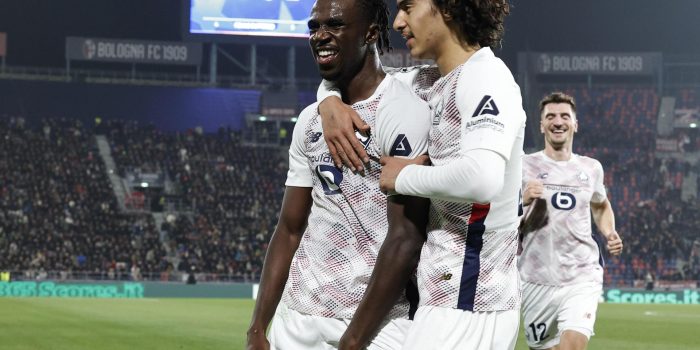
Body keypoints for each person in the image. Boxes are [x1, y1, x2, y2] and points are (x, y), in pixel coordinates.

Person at [316, 0, 524, 348]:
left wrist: (403, 178)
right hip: (444, 294)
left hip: (472, 295)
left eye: (408, 7)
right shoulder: (431, 79)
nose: (398, 22)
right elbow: (360, 79)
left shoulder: (486, 76)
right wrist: (328, 100)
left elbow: (483, 179)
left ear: (448, 7)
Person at [246, 0, 432, 349]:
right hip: (296, 320)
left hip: (376, 326)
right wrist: (258, 326)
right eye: (314, 27)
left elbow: (406, 237)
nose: (320, 35)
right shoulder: (309, 120)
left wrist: (352, 341)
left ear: (371, 32)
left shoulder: (403, 109)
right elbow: (289, 229)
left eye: (334, 25)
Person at [519, 92, 623, 350]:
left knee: (572, 346)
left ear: (575, 124)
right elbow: (497, 215)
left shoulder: (591, 168)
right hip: (535, 278)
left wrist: (609, 231)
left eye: (565, 116)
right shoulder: (522, 166)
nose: (558, 121)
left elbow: (600, 204)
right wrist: (521, 201)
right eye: (550, 116)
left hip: (581, 274)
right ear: (541, 125)